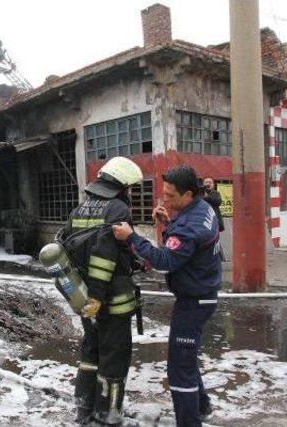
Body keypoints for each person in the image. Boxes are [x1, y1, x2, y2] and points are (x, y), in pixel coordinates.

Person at [112, 165, 221, 427]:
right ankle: (202, 406)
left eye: (171, 196)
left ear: (188, 194)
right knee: (187, 356)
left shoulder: (190, 226)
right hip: (201, 294)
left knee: (179, 369)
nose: (166, 200)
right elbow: (185, 246)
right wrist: (167, 225)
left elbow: (164, 261)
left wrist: (131, 238)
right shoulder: (202, 208)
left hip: (194, 301)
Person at [59, 156, 143, 425]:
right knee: (114, 356)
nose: (130, 193)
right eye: (130, 188)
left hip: (83, 297)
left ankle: (84, 408)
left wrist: (89, 297)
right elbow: (104, 255)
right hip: (110, 300)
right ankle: (109, 414)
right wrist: (98, 295)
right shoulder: (117, 208)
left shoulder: (79, 210)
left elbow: (70, 250)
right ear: (121, 186)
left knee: (91, 350)